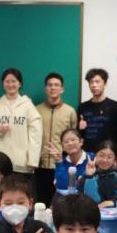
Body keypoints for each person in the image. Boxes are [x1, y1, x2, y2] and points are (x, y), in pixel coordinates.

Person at [0, 68, 42, 175]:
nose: (10, 85)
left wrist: (33, 160)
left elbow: (36, 135)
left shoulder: (28, 106)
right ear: (3, 84)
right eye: (7, 82)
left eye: (13, 81)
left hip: (21, 163)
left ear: (19, 83)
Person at [34, 72, 76, 205]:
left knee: (62, 202)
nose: (53, 88)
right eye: (50, 85)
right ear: (45, 89)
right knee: (42, 202)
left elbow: (74, 139)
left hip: (61, 164)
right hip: (40, 164)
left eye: (56, 85)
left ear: (62, 89)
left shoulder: (70, 111)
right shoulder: (36, 110)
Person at [77, 67, 117, 159]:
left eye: (97, 81)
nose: (94, 85)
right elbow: (79, 136)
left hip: (107, 156)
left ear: (105, 83)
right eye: (91, 82)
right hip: (87, 155)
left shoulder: (114, 106)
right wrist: (80, 129)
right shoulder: (83, 107)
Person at [81, 140, 117, 208]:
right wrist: (89, 176)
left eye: (109, 157)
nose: (104, 160)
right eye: (101, 155)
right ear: (95, 156)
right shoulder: (87, 174)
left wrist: (113, 202)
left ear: (114, 160)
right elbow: (90, 200)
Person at [50, 128, 89, 193]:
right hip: (66, 198)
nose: (70, 143)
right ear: (62, 147)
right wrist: (59, 162)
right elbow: (62, 187)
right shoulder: (61, 163)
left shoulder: (92, 158)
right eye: (66, 142)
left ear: (81, 142)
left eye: (73, 140)